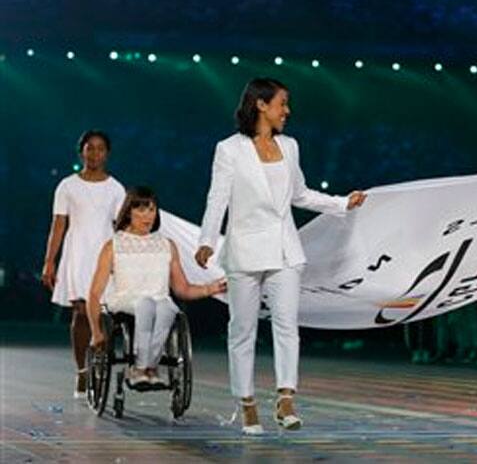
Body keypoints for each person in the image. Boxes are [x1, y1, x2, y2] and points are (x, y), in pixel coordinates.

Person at [194, 78, 367, 435]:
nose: (287, 111)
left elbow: (300, 194)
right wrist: (207, 240)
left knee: (287, 325)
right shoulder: (229, 149)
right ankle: (246, 402)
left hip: (285, 249)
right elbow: (217, 199)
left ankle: (286, 397)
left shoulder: (290, 146)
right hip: (244, 249)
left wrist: (340, 203)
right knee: (242, 329)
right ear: (260, 104)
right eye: (282, 104)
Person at [87, 186, 226, 385]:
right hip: (125, 299)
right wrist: (96, 332)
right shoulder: (113, 245)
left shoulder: (167, 245)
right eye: (141, 210)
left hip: (159, 299)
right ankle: (140, 368)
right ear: (129, 212)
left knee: (167, 307)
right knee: (146, 304)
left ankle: (150, 367)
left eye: (151, 210)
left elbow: (182, 289)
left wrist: (210, 288)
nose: (148, 216)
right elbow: (94, 293)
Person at [41, 130, 126, 398]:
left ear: (107, 153)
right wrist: (49, 262)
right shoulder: (67, 186)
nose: (95, 154)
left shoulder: (116, 188)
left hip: (105, 253)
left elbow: (121, 227)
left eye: (100, 149)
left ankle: (100, 367)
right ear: (82, 152)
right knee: (80, 312)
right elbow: (58, 224)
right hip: (77, 252)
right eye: (90, 149)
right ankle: (82, 372)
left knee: (103, 313)